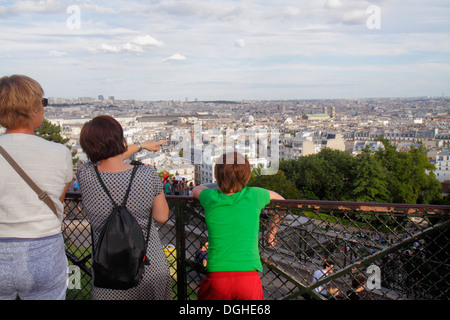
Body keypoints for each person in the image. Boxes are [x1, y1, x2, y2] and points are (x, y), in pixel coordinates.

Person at [76, 115, 171, 300]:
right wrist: (141, 145)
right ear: (121, 140)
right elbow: (162, 216)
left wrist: (140, 145)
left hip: (108, 266)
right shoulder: (147, 174)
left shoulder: (85, 174)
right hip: (148, 265)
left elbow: (108, 158)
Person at [0, 74, 73, 300]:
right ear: (33, 110)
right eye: (43, 103)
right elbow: (58, 201)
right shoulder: (60, 153)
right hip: (44, 249)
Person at [193, 151, 284, 300]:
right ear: (247, 176)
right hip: (248, 275)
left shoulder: (210, 198)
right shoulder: (255, 195)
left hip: (217, 274)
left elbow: (196, 189)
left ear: (216, 176)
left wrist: (216, 186)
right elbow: (282, 203)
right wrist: (271, 230)